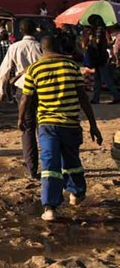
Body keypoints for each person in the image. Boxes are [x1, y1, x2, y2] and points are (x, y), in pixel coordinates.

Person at [19, 35, 103, 222]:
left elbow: (26, 98)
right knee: (72, 159)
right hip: (71, 124)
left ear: (41, 50)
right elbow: (83, 98)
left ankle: (49, 207)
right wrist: (93, 124)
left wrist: (21, 118)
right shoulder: (72, 67)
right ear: (60, 48)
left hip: (47, 125)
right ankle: (76, 193)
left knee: (50, 164)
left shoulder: (35, 68)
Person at [0, 19, 42, 179]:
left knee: (27, 129)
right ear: (35, 31)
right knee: (43, 127)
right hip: (42, 89)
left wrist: (2, 90)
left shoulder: (14, 47)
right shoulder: (40, 47)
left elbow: (4, 70)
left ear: (20, 32)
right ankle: (49, 166)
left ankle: (32, 168)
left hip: (23, 90)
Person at [87, 14, 120, 104]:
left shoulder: (98, 30)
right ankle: (96, 98)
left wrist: (91, 39)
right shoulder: (103, 29)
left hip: (99, 57)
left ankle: (117, 96)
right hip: (101, 57)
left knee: (106, 79)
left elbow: (97, 42)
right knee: (98, 79)